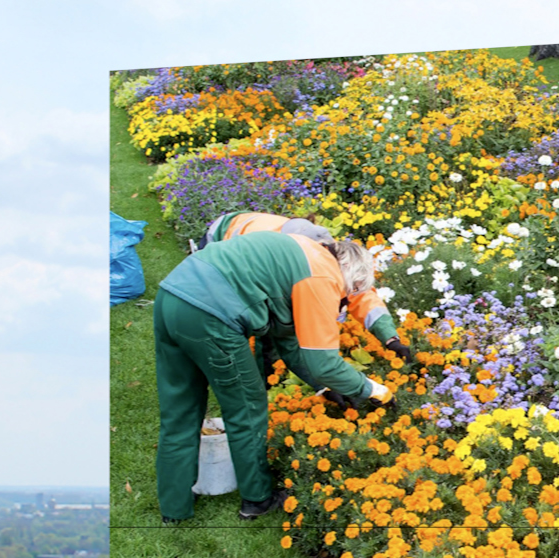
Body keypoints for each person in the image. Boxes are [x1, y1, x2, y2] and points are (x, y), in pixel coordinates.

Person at [154, 232, 390, 523]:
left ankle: (174, 507)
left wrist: (323, 387)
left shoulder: (305, 254)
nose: (345, 301)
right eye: (351, 293)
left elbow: (290, 343)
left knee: (180, 407)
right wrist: (372, 390)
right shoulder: (323, 276)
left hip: (173, 294)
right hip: (213, 315)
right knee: (246, 408)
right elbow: (324, 363)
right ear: (352, 276)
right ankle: (257, 498)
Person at [197, 211, 412, 362]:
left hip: (253, 231)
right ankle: (253, 375)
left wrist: (390, 338)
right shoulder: (291, 260)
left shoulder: (335, 256)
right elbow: (269, 307)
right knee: (252, 322)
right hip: (223, 235)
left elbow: (360, 293)